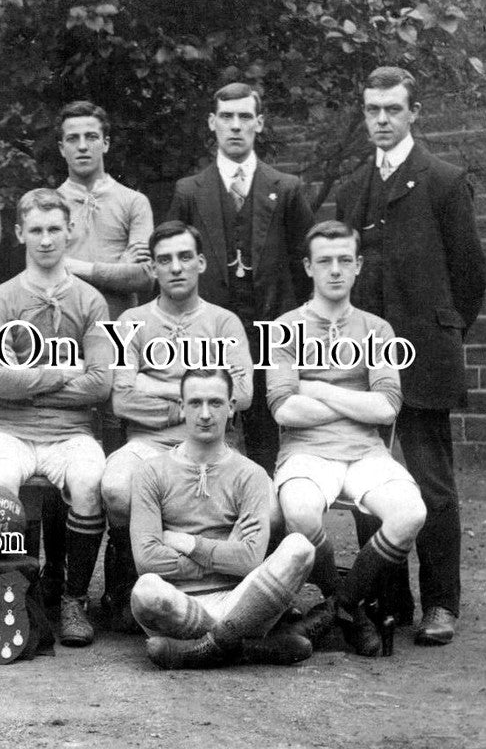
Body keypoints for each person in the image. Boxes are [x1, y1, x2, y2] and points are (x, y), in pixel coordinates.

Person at [335, 66, 486, 646]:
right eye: (372, 110)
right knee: (369, 486)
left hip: (424, 354)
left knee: (430, 484)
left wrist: (441, 331)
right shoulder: (353, 190)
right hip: (366, 361)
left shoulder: (445, 180)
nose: (381, 120)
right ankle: (388, 599)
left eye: (392, 110)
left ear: (413, 112)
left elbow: (470, 276)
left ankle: (442, 604)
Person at [268, 220, 426, 657]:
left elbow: (387, 407)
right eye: (324, 261)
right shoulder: (284, 328)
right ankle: (350, 607)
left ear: (357, 266)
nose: (334, 270)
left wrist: (315, 388)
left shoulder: (376, 328)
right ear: (308, 267)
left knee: (410, 512)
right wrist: (355, 397)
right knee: (298, 511)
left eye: (344, 261)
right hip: (306, 452)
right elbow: (283, 408)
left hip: (365, 453)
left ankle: (342, 606)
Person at [100, 220, 253, 631]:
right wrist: (190, 397)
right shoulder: (132, 320)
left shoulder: (224, 323)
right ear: (152, 269)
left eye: (185, 257)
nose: (176, 267)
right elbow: (122, 398)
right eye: (164, 260)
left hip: (214, 446)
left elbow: (241, 395)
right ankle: (125, 576)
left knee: (264, 508)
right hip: (148, 443)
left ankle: (221, 580)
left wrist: (158, 382)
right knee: (115, 486)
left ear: (201, 262)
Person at [0, 188, 113, 646]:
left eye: (55, 229)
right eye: (35, 230)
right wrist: (59, 372)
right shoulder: (2, 299)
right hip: (9, 430)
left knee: (91, 480)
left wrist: (28, 379)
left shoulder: (91, 301)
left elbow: (100, 383)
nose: (46, 239)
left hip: (70, 433)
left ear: (69, 232)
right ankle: (9, 596)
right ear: (19, 234)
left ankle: (74, 598)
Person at [164, 82, 314, 474]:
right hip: (208, 334)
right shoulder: (190, 192)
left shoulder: (286, 189)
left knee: (268, 436)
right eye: (226, 117)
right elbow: (172, 266)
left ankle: (269, 529)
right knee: (206, 430)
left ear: (259, 123)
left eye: (245, 117)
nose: (235, 126)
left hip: (269, 334)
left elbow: (305, 269)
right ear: (212, 123)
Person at [129, 368, 316, 670]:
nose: (205, 414)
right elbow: (147, 561)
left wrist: (188, 543)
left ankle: (199, 650)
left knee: (300, 547)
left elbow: (250, 560)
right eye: (195, 403)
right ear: (181, 407)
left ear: (231, 407)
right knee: (145, 590)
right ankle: (247, 647)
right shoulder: (150, 472)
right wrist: (224, 554)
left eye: (215, 403)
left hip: (240, 600)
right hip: (178, 602)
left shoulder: (251, 474)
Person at [55, 100, 153, 320]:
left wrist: (72, 265)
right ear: (62, 148)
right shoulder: (51, 204)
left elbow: (144, 278)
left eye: (91, 137)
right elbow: (44, 272)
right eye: (73, 138)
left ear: (106, 143)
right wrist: (119, 269)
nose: (82, 146)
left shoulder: (134, 201)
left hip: (119, 327)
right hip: (66, 326)